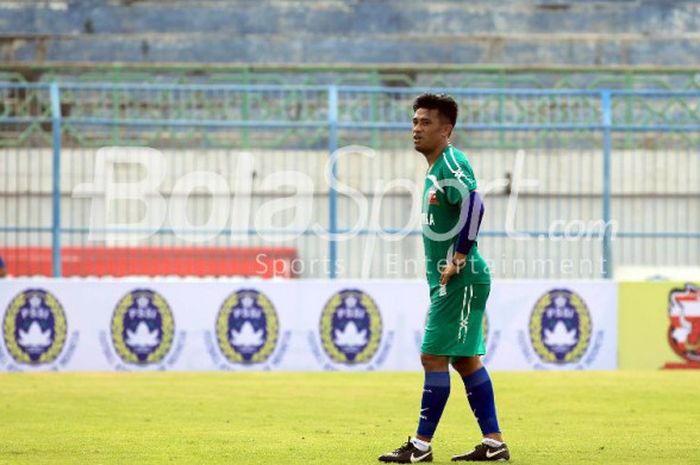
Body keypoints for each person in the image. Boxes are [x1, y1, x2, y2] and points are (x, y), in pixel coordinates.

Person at [378, 94, 509, 462]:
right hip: (453, 281)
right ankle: (494, 442)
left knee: (432, 356)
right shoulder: (437, 168)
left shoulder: (451, 163)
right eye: (415, 122)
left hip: (461, 279)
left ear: (446, 130)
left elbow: (475, 204)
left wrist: (460, 257)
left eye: (425, 123)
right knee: (465, 361)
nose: (416, 129)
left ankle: (420, 446)